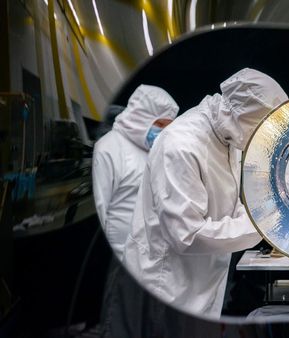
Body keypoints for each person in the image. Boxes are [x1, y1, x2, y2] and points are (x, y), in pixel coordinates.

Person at [123, 68, 288, 318]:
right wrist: (264, 223)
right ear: (246, 116)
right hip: (166, 285)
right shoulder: (180, 145)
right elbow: (187, 235)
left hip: (203, 280)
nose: (267, 138)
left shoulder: (231, 136)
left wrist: (264, 209)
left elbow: (229, 203)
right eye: (264, 128)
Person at [92, 84, 178, 337]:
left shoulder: (155, 153)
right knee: (120, 325)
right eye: (160, 125)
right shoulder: (109, 148)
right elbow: (100, 206)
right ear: (143, 117)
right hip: (124, 259)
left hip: (154, 261)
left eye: (168, 127)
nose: (163, 133)